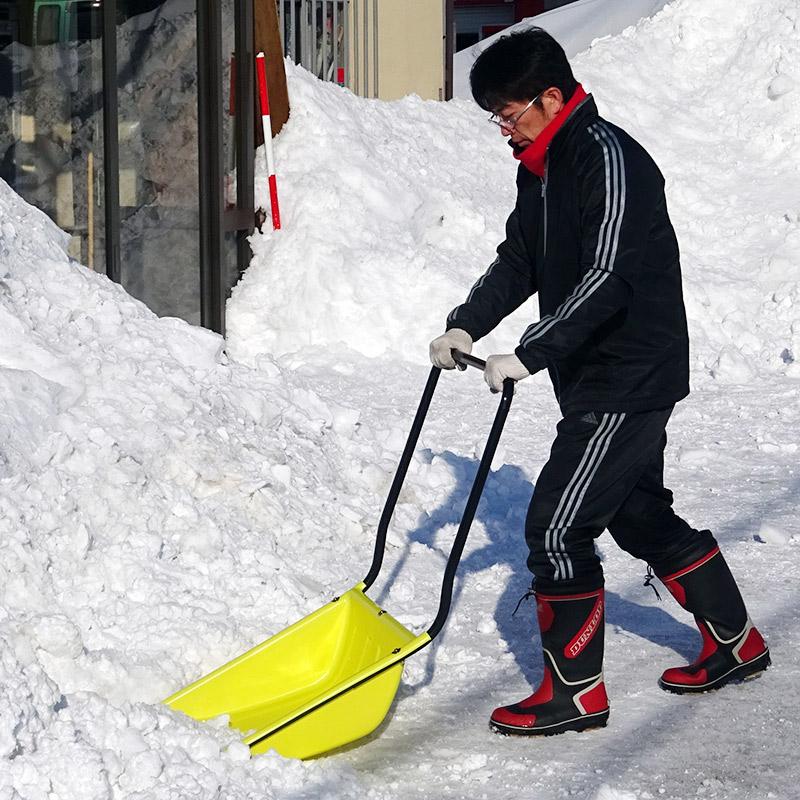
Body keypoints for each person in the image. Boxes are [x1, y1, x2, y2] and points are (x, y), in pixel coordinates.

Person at [429, 28, 770, 737]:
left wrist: (532, 351)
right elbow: (521, 258)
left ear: (553, 98)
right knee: (639, 515)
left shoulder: (609, 160)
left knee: (556, 529)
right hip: (595, 373)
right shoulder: (542, 165)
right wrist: (467, 324)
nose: (504, 129)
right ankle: (738, 645)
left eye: (510, 113)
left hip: (628, 372)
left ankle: (575, 695)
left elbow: (608, 274)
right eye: (496, 116)